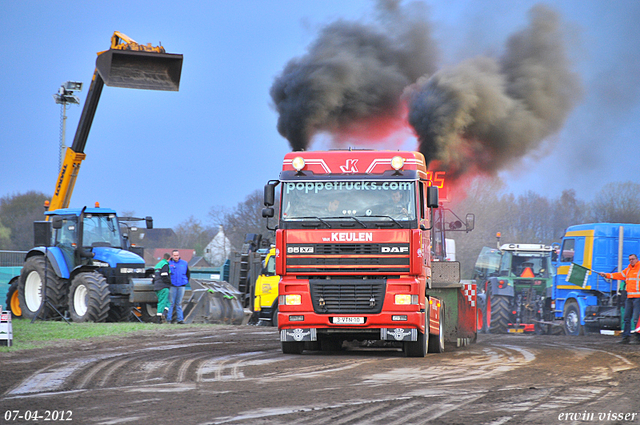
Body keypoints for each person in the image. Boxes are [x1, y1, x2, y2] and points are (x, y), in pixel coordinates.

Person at [598, 254, 640, 344]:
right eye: (630, 259)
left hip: (638, 297)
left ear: (637, 259)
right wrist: (606, 275)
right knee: (626, 318)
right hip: (629, 297)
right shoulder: (628, 270)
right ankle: (626, 337)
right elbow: (619, 275)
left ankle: (638, 338)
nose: (631, 261)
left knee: (636, 319)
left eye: (632, 259)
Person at [167, 249, 190, 324]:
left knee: (179, 303)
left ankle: (180, 319)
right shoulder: (168, 264)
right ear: (172, 256)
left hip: (181, 286)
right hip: (172, 286)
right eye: (174, 255)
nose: (176, 257)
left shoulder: (184, 263)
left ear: (179, 255)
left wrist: (185, 282)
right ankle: (169, 319)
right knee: (171, 303)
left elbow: (188, 274)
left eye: (177, 255)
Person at [152, 253, 172, 324]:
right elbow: (164, 275)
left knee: (167, 302)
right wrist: (169, 283)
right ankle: (159, 318)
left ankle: (164, 313)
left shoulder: (157, 265)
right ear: (169, 259)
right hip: (163, 286)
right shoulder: (165, 265)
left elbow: (153, 277)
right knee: (162, 302)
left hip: (156, 286)